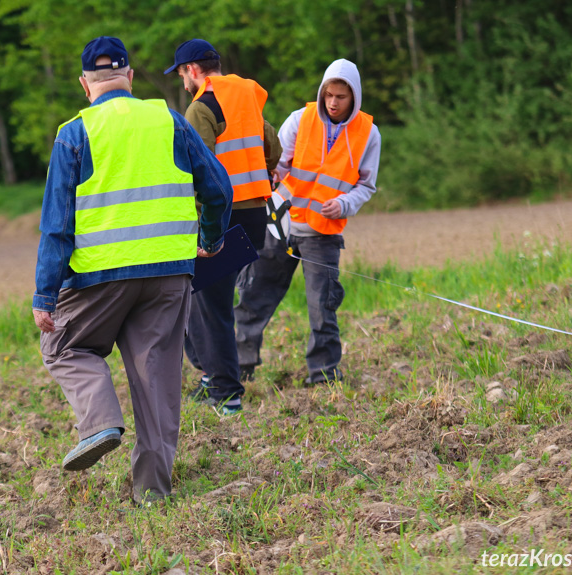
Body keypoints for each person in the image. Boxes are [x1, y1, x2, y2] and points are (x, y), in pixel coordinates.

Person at [32, 36, 233, 504]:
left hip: (98, 278)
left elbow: (57, 226)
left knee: (61, 345)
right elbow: (217, 187)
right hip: (168, 274)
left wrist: (45, 296)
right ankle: (152, 494)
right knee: (157, 384)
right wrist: (211, 238)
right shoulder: (167, 119)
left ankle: (100, 422)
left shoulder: (73, 133)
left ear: (86, 85)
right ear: (131, 77)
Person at [235, 59, 381, 385]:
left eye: (341, 97)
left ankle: (324, 376)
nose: (332, 102)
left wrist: (344, 204)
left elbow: (366, 186)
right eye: (329, 94)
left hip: (323, 235)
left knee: (322, 309)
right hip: (280, 225)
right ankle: (239, 367)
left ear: (354, 97)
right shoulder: (300, 119)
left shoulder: (369, 134)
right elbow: (277, 164)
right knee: (253, 299)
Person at [164, 39, 281, 414]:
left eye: (183, 73)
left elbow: (199, 170)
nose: (184, 83)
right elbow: (273, 149)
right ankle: (213, 376)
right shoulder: (247, 96)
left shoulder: (201, 107)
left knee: (210, 306)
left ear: (194, 69)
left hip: (221, 217)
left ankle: (227, 394)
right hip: (255, 216)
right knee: (201, 298)